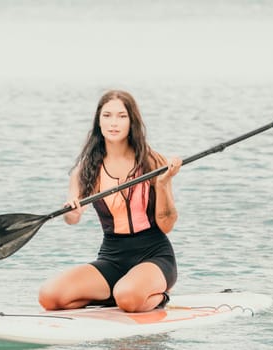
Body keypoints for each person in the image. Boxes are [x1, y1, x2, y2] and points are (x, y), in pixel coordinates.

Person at [38, 90, 182, 313]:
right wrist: (71, 210)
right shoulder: (85, 170)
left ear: (131, 121)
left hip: (154, 255)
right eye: (107, 116)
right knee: (50, 297)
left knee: (129, 297)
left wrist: (163, 184)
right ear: (98, 121)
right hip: (112, 257)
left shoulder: (153, 162)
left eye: (121, 116)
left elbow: (167, 225)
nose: (113, 123)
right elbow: (72, 219)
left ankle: (155, 295)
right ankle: (119, 295)